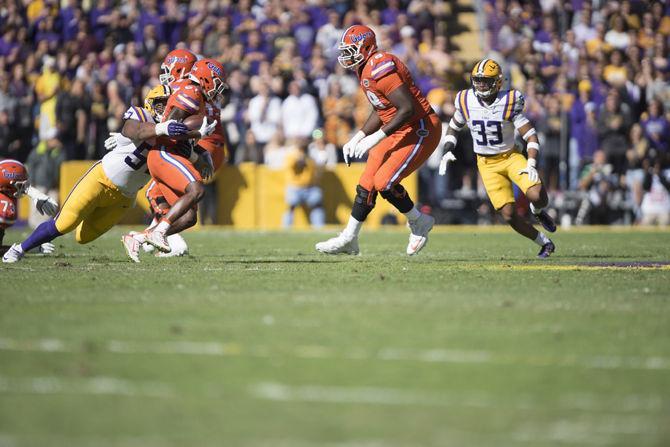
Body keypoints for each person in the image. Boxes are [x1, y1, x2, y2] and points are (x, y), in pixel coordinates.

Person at [2, 86, 190, 263]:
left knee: (83, 237)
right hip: (101, 178)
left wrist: (197, 145)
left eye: (168, 104)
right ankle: (19, 249)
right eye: (160, 103)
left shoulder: (174, 137)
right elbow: (134, 130)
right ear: (150, 103)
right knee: (64, 223)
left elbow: (189, 158)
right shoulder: (142, 115)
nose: (164, 108)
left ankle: (134, 238)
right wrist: (162, 128)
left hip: (124, 198)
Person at [316, 25, 441, 256]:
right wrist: (360, 135)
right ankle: (349, 238)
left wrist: (376, 137)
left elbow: (406, 109)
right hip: (399, 128)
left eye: (351, 50)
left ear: (366, 47)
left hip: (420, 127)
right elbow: (380, 108)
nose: (346, 55)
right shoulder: (364, 68)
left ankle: (419, 221)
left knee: (384, 182)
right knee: (367, 182)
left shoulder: (381, 66)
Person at [438, 59, 557, 258]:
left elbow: (531, 135)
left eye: (486, 81)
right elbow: (454, 125)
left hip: (510, 156)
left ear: (498, 82)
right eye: (478, 80)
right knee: (508, 215)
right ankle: (545, 243)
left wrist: (531, 162)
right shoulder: (466, 100)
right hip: (486, 164)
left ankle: (537, 211)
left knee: (538, 195)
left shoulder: (509, 101)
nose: (481, 85)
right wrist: (448, 148)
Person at [133, 58, 223, 255]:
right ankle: (160, 232)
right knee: (194, 190)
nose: (217, 90)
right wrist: (198, 136)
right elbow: (170, 128)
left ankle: (139, 238)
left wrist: (199, 151)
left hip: (172, 151)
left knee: (189, 217)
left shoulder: (192, 92)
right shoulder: (192, 91)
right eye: (216, 83)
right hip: (165, 152)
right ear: (206, 78)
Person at [0, 159, 59, 257]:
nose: (24, 188)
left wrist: (34, 194)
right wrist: (31, 248)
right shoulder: (4, 205)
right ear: (6, 186)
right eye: (20, 185)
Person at [283, 142, 325, 228]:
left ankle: (319, 227)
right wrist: (300, 157)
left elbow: (317, 171)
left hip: (310, 187)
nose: (303, 151)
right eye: (301, 149)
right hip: (295, 187)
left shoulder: (310, 158)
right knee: (291, 206)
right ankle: (286, 228)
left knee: (317, 205)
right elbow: (295, 164)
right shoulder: (292, 156)